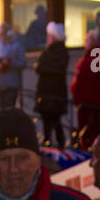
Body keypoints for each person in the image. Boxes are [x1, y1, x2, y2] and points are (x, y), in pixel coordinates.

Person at [71, 31, 100, 148]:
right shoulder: (92, 56)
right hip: (86, 99)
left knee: (91, 128)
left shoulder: (97, 55)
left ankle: (90, 148)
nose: (85, 42)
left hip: (90, 99)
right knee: (87, 128)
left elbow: (95, 78)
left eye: (87, 40)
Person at [34, 21, 68, 150]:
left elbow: (48, 67)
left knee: (54, 119)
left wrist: (42, 67)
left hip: (54, 92)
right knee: (47, 118)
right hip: (47, 91)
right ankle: (49, 140)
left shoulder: (60, 51)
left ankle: (59, 143)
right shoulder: (49, 51)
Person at [0, 23, 26, 111]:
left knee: (10, 109)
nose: (0, 36)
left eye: (2, 34)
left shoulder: (17, 46)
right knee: (2, 109)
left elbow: (23, 62)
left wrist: (10, 63)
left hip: (12, 84)